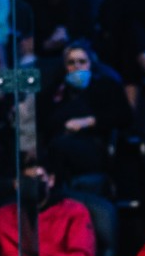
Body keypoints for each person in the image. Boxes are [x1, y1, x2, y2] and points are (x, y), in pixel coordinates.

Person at [36, 43, 131, 182]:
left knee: (58, 148)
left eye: (82, 61)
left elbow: (125, 117)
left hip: (93, 145)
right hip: (58, 141)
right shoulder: (58, 90)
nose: (77, 66)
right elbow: (44, 118)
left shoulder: (106, 85)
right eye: (71, 62)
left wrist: (88, 121)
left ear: (90, 63)